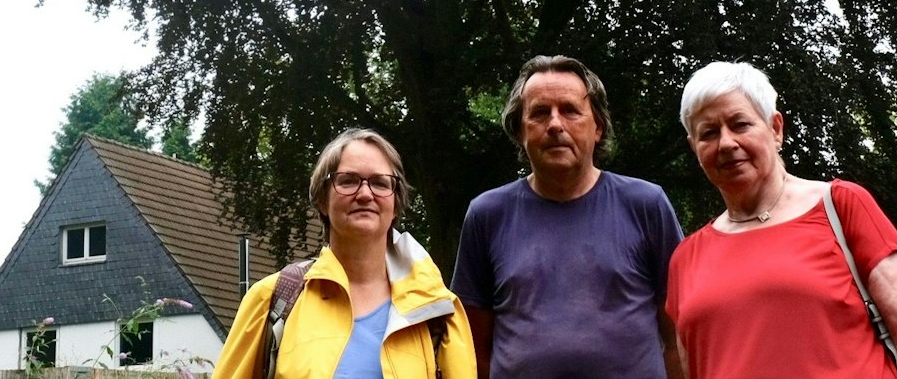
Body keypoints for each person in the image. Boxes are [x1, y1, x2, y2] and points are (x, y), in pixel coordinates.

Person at [666, 61, 897, 379]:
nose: (727, 143)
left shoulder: (840, 207)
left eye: (740, 124)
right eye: (709, 133)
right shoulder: (686, 259)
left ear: (775, 129)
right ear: (695, 148)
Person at [451, 55, 686, 379]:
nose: (555, 125)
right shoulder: (487, 215)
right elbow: (472, 347)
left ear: (598, 127)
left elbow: (679, 336)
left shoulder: (646, 205)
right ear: (520, 130)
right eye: (539, 113)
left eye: (570, 110)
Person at [213, 127, 477, 379]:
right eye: (348, 181)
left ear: (396, 204)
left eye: (380, 183)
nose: (365, 194)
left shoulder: (438, 312)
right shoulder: (273, 301)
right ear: (321, 199)